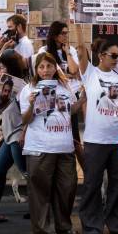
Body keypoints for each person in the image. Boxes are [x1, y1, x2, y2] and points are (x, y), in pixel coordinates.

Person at [74, 22, 118, 234]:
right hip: (95, 140)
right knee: (92, 184)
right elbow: (81, 48)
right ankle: (92, 228)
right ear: (101, 56)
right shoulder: (89, 73)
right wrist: (76, 20)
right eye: (113, 56)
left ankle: (116, 225)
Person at [20, 53, 84, 234]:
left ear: (55, 67)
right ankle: (43, 229)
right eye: (41, 67)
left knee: (67, 188)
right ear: (36, 69)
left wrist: (82, 101)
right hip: (40, 147)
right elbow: (25, 119)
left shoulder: (64, 87)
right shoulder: (29, 89)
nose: (45, 70)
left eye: (49, 66)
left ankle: (63, 226)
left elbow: (70, 111)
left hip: (64, 147)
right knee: (40, 190)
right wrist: (31, 105)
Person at [34, 21, 83, 167]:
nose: (66, 36)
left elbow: (75, 71)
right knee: (53, 129)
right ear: (55, 35)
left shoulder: (70, 50)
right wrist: (67, 74)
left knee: (74, 135)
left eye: (67, 33)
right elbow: (44, 72)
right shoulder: (44, 50)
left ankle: (83, 169)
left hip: (70, 94)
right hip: (51, 94)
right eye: (63, 33)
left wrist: (67, 52)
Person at [0, 50, 27, 216]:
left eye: (1, 67)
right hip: (8, 135)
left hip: (18, 135)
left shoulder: (21, 87)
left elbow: (28, 113)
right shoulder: (6, 85)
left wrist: (24, 133)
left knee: (27, 173)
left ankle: (40, 208)